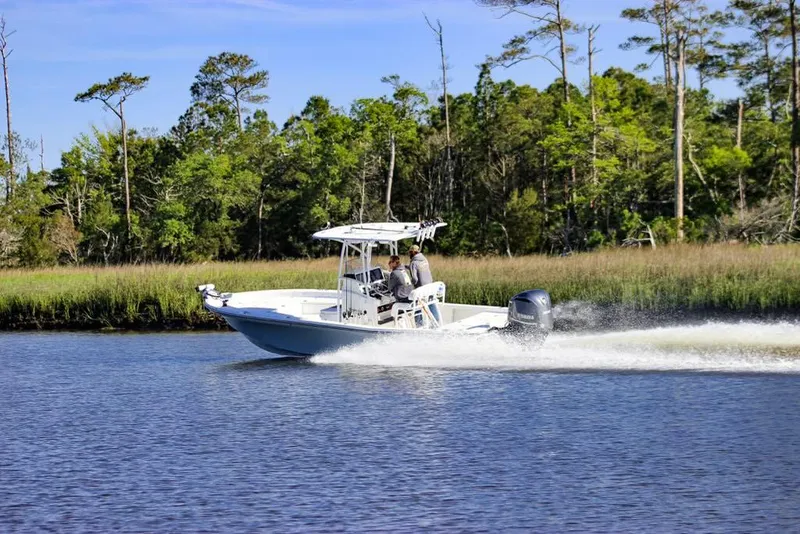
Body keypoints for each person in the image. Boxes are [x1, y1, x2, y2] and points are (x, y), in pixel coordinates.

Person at [408, 244, 442, 326]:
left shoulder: (413, 263)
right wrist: (406, 267)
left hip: (421, 290)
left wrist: (411, 284)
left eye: (410, 252)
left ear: (413, 252)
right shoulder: (424, 260)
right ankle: (436, 322)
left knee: (415, 302)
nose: (409, 254)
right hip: (430, 287)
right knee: (431, 303)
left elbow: (415, 279)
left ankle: (419, 324)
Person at [387, 254, 421, 327]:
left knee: (393, 304)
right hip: (411, 297)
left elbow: (389, 288)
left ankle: (397, 325)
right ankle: (418, 324)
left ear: (393, 263)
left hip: (403, 298)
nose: (388, 264)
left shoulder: (394, 273)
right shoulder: (404, 270)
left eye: (390, 262)